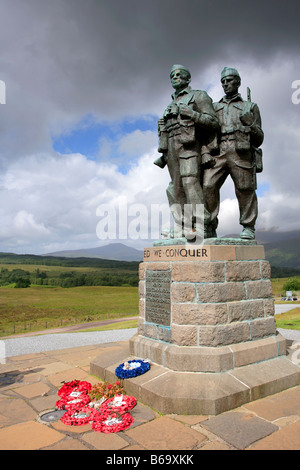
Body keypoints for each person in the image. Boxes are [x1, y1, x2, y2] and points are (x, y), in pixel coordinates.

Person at [155, 64, 219, 240]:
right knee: (175, 188)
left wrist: (191, 114)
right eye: (172, 76)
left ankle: (201, 226)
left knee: (190, 184)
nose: (175, 77)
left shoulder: (199, 96)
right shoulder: (170, 104)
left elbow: (213, 122)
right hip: (171, 147)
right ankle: (181, 225)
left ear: (188, 78)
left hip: (190, 145)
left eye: (179, 74)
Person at [203, 67, 264, 239]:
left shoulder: (250, 107)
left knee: (245, 189)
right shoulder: (214, 107)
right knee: (208, 185)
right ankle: (209, 226)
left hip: (241, 151)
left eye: (229, 80)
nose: (225, 84)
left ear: (238, 82)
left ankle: (248, 226)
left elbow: (259, 138)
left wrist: (250, 123)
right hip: (219, 151)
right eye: (223, 81)